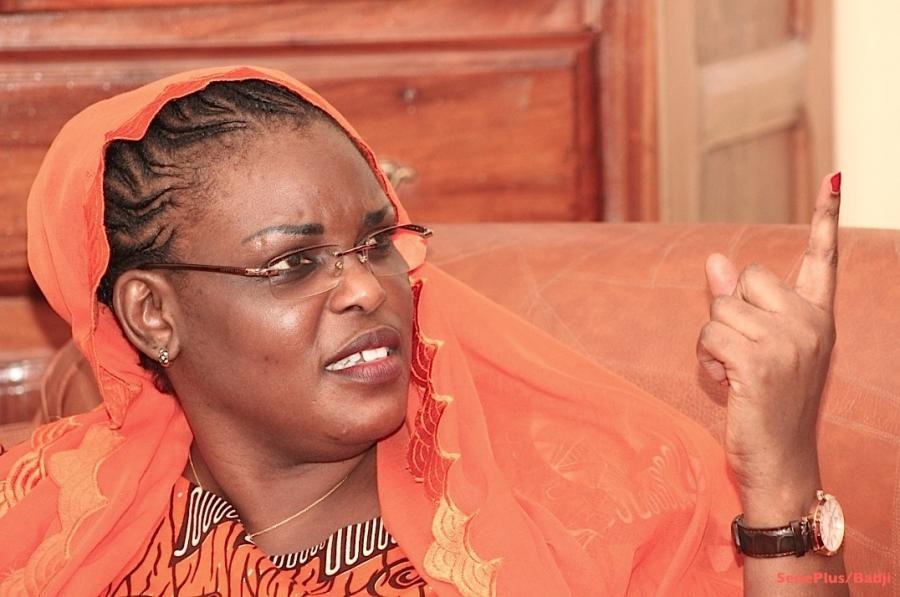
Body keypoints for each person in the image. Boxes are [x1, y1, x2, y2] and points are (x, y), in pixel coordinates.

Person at [0, 66, 847, 596]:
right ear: (153, 314)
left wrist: (780, 477)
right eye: (293, 262)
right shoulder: (48, 516)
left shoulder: (595, 500)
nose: (367, 288)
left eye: (378, 241)